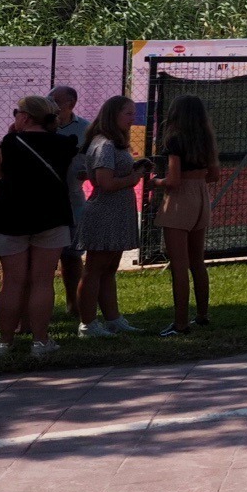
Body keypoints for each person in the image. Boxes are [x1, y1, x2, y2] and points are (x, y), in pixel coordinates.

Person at [0, 96, 78, 359]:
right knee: (43, 281)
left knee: (12, 283)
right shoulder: (65, 144)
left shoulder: (8, 143)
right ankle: (40, 342)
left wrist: (12, 135)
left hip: (11, 217)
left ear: (25, 117)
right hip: (51, 216)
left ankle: (4, 343)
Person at [74, 95, 144, 337]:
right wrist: (134, 179)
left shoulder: (115, 143)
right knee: (94, 269)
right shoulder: (104, 144)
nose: (133, 119)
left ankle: (113, 319)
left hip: (117, 212)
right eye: (128, 114)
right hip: (104, 212)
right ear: (113, 115)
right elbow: (105, 182)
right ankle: (88, 324)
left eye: (133, 113)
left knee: (109, 269)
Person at [153, 95, 220, 337]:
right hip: (201, 196)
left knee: (179, 265)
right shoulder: (207, 138)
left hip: (181, 200)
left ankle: (180, 323)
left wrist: (155, 182)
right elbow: (214, 175)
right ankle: (202, 314)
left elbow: (173, 180)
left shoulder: (174, 139)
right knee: (197, 262)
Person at [48, 86, 89, 316]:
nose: (51, 104)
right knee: (44, 261)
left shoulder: (86, 129)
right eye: (48, 99)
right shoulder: (42, 127)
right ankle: (38, 311)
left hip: (74, 201)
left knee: (73, 256)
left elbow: (94, 159)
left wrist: (88, 172)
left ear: (71, 105)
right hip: (46, 203)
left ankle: (74, 304)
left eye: (56, 101)